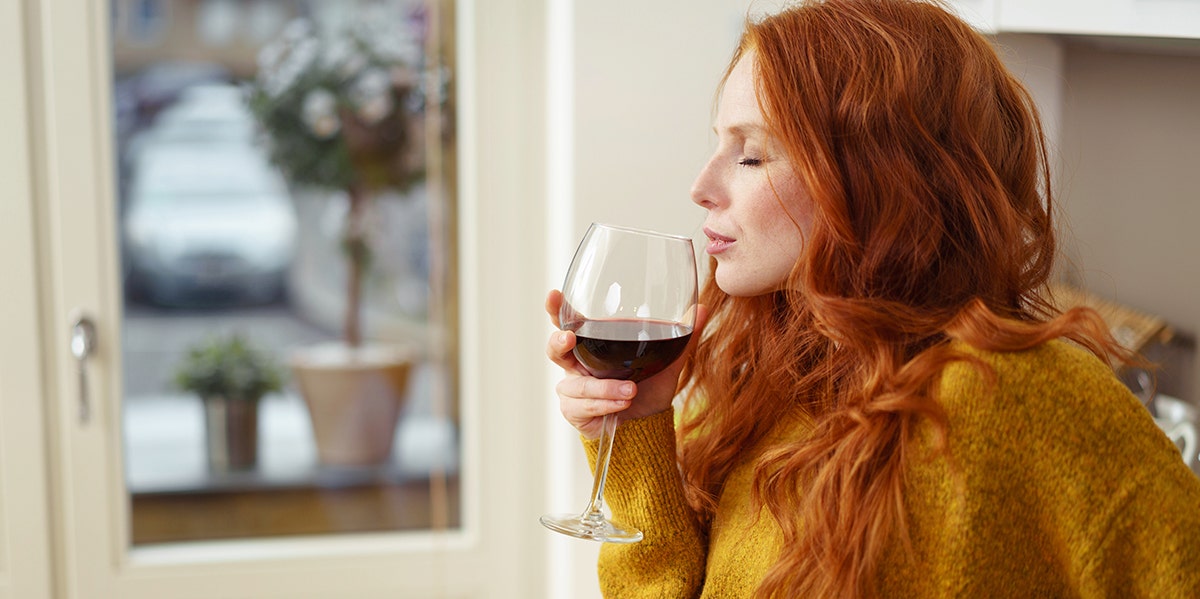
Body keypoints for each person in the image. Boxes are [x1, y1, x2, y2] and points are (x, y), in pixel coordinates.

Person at [545, 0, 1200, 597]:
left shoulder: (1017, 397)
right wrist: (634, 428)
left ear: (874, 177)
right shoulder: (766, 384)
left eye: (751, 155)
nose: (700, 186)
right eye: (717, 143)